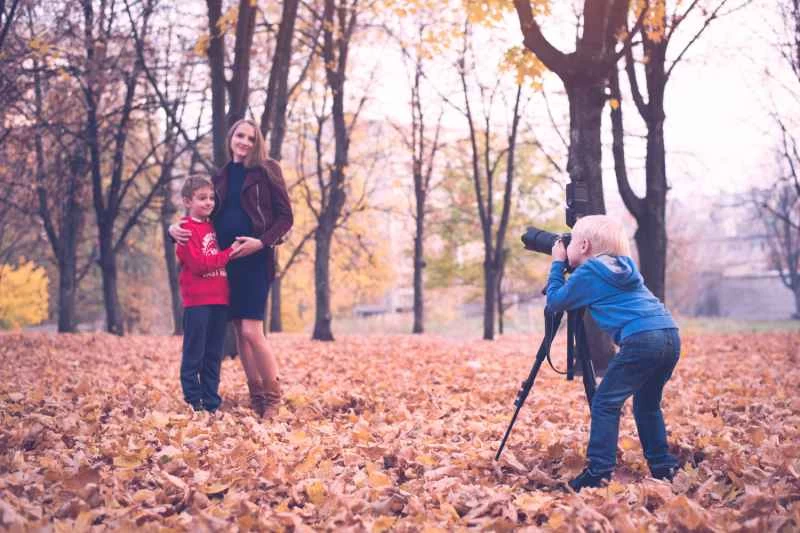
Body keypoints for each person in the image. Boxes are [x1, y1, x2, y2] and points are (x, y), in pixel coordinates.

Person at [545, 215, 680, 492]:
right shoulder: (623, 267)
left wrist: (558, 263)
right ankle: (663, 465)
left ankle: (599, 471)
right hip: (669, 334)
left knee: (605, 402)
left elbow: (555, 302)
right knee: (647, 404)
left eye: (570, 244)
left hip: (642, 339)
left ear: (583, 246)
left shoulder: (590, 272)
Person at [170, 119, 293, 419]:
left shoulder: (267, 170)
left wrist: (261, 242)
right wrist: (174, 227)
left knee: (252, 331)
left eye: (251, 138)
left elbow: (285, 217)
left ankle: (273, 399)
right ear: (231, 138)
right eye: (240, 136)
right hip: (225, 264)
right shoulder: (221, 177)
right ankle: (257, 397)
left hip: (254, 260)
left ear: (257, 142)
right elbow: (204, 214)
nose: (245, 142)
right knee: (239, 332)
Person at [176, 175, 241, 413]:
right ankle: (194, 401)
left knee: (214, 354)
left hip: (219, 300)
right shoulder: (184, 230)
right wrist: (229, 253)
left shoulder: (214, 226)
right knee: (195, 354)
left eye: (211, 198)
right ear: (187, 201)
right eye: (202, 198)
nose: (208, 203)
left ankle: (211, 402)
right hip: (197, 303)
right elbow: (200, 264)